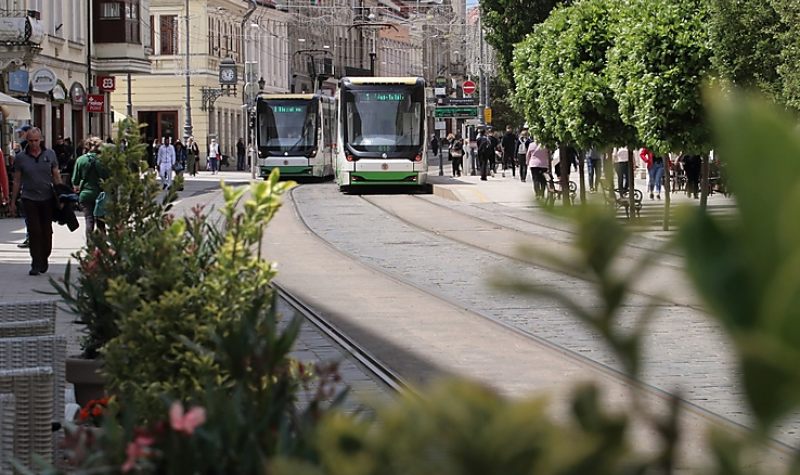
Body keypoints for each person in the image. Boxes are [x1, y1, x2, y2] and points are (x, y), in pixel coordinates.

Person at [8, 127, 62, 275]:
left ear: (41, 139)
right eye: (31, 141)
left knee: (46, 230)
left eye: (36, 140)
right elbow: (17, 180)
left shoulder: (50, 154)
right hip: (29, 198)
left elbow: (56, 176)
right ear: (27, 140)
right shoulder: (21, 158)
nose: (33, 144)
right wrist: (12, 202)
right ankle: (36, 262)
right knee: (34, 230)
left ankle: (44, 256)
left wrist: (61, 195)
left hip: (47, 198)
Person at [71, 136, 107, 239]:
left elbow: (75, 180)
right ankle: (102, 243)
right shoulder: (103, 160)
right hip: (100, 194)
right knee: (101, 221)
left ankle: (90, 243)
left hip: (85, 194)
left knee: (89, 219)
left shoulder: (80, 160)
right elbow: (108, 177)